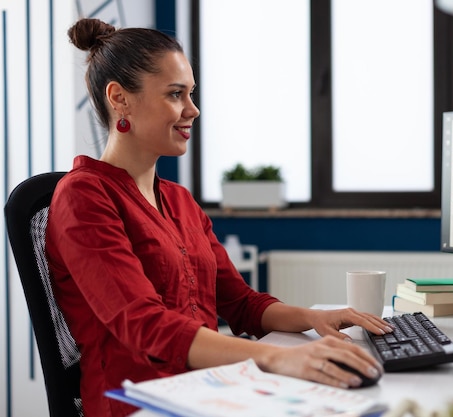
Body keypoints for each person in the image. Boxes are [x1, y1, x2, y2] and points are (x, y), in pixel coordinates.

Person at [45, 18, 393, 417]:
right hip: (143, 406)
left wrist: (316, 318)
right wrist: (276, 359)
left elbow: (241, 303)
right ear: (119, 99)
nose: (192, 110)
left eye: (191, 94)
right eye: (176, 95)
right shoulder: (84, 196)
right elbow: (145, 325)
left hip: (210, 392)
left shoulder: (179, 200)